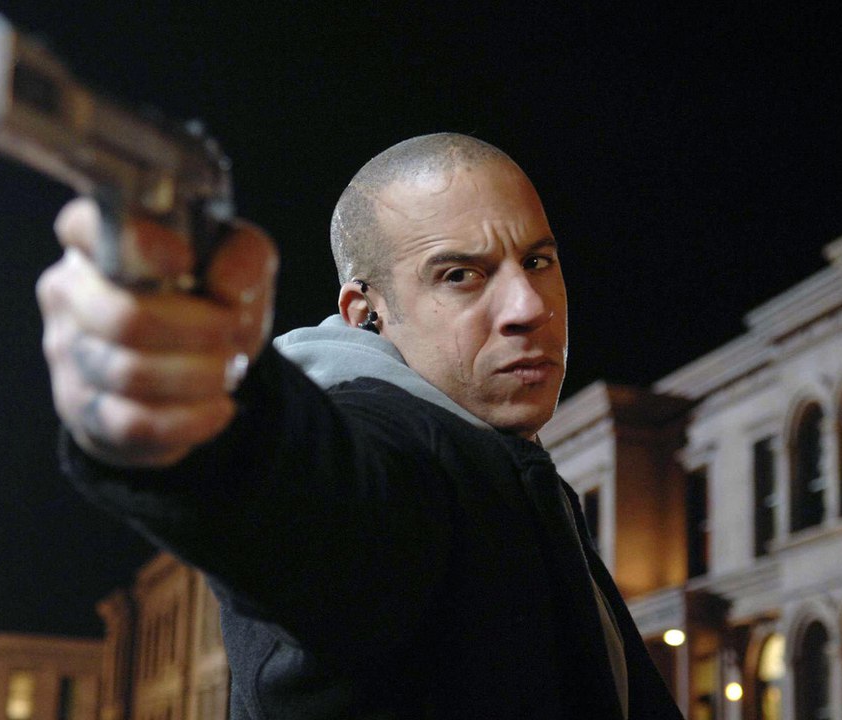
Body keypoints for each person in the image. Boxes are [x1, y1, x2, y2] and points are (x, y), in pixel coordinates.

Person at [37, 133, 684, 719]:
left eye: (538, 262)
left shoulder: (516, 469)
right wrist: (202, 411)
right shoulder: (405, 454)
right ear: (365, 313)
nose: (528, 307)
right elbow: (325, 505)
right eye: (460, 275)